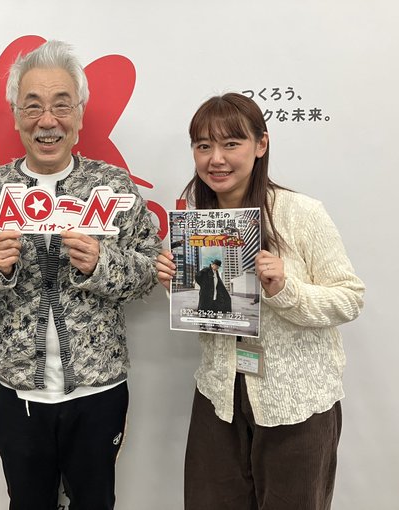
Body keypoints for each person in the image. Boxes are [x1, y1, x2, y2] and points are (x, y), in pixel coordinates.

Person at [0, 40, 160, 510]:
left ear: (79, 115)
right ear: (16, 116)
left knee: (95, 502)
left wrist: (100, 265)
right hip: (20, 391)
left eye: (62, 105)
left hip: (99, 389)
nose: (48, 120)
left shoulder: (111, 185)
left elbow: (150, 271)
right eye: (33, 106)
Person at [156, 93, 364, 510]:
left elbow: (350, 298)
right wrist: (175, 286)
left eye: (231, 143)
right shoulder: (197, 221)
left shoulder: (300, 213)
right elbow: (211, 313)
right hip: (219, 396)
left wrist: (284, 289)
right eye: (203, 146)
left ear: (260, 145)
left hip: (295, 401)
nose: (216, 159)